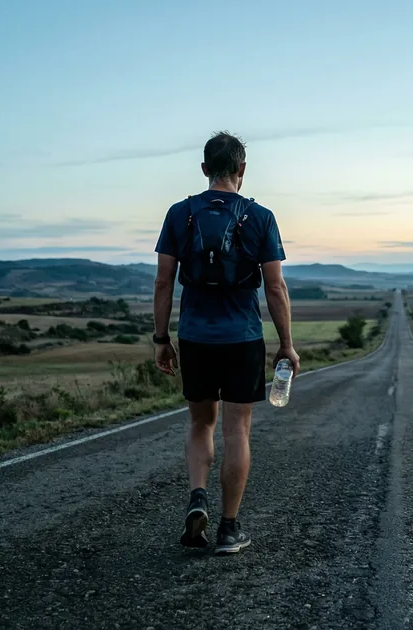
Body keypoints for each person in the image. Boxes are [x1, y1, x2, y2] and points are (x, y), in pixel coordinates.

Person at [152, 131, 300, 555]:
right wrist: (286, 344)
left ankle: (197, 496)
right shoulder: (261, 217)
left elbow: (163, 282)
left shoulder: (180, 213)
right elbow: (275, 287)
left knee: (201, 424)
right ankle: (229, 530)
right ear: (242, 169)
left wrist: (162, 339)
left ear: (204, 169)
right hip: (243, 338)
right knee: (237, 431)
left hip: (195, 337)